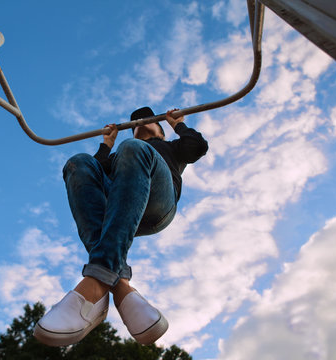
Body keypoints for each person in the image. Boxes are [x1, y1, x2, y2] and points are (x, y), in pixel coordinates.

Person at [33, 107, 208, 347]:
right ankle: (120, 285)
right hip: (123, 204)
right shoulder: (120, 155)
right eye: (135, 123)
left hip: (158, 204)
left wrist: (178, 125)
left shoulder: (170, 147)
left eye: (147, 120)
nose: (140, 122)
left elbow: (196, 147)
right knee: (78, 163)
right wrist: (107, 144)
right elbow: (92, 177)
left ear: (161, 130)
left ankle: (95, 284)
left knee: (133, 149)